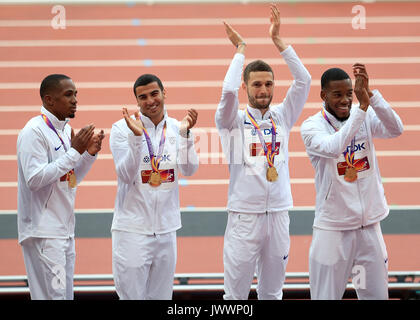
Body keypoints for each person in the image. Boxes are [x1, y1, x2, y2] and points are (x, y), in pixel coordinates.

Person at [215, 4, 311, 300]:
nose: (263, 90)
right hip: (245, 217)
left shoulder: (282, 116)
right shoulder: (231, 121)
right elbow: (228, 92)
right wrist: (241, 49)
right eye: (256, 84)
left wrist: (278, 41)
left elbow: (304, 81)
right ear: (246, 88)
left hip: (279, 215)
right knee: (236, 295)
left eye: (269, 84)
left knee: (272, 292)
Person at [300, 64, 403, 299]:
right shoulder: (311, 127)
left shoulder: (364, 114)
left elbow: (396, 129)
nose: (345, 100)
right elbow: (334, 146)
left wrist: (372, 96)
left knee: (376, 296)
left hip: (369, 228)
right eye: (337, 95)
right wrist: (362, 108)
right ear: (323, 95)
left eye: (349, 94)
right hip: (333, 231)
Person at [109, 74, 199, 300]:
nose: (150, 101)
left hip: (166, 230)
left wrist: (186, 136)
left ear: (164, 93)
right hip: (132, 230)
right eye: (143, 97)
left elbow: (189, 170)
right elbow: (125, 173)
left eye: (154, 94)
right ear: (137, 101)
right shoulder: (122, 129)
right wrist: (137, 138)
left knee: (162, 298)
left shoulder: (179, 127)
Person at [17, 74, 105, 300]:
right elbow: (34, 179)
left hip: (63, 231)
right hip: (44, 232)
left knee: (64, 297)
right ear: (49, 100)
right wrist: (75, 152)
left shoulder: (65, 130)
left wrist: (88, 155)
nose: (75, 99)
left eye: (75, 94)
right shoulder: (33, 131)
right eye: (68, 95)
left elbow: (69, 178)